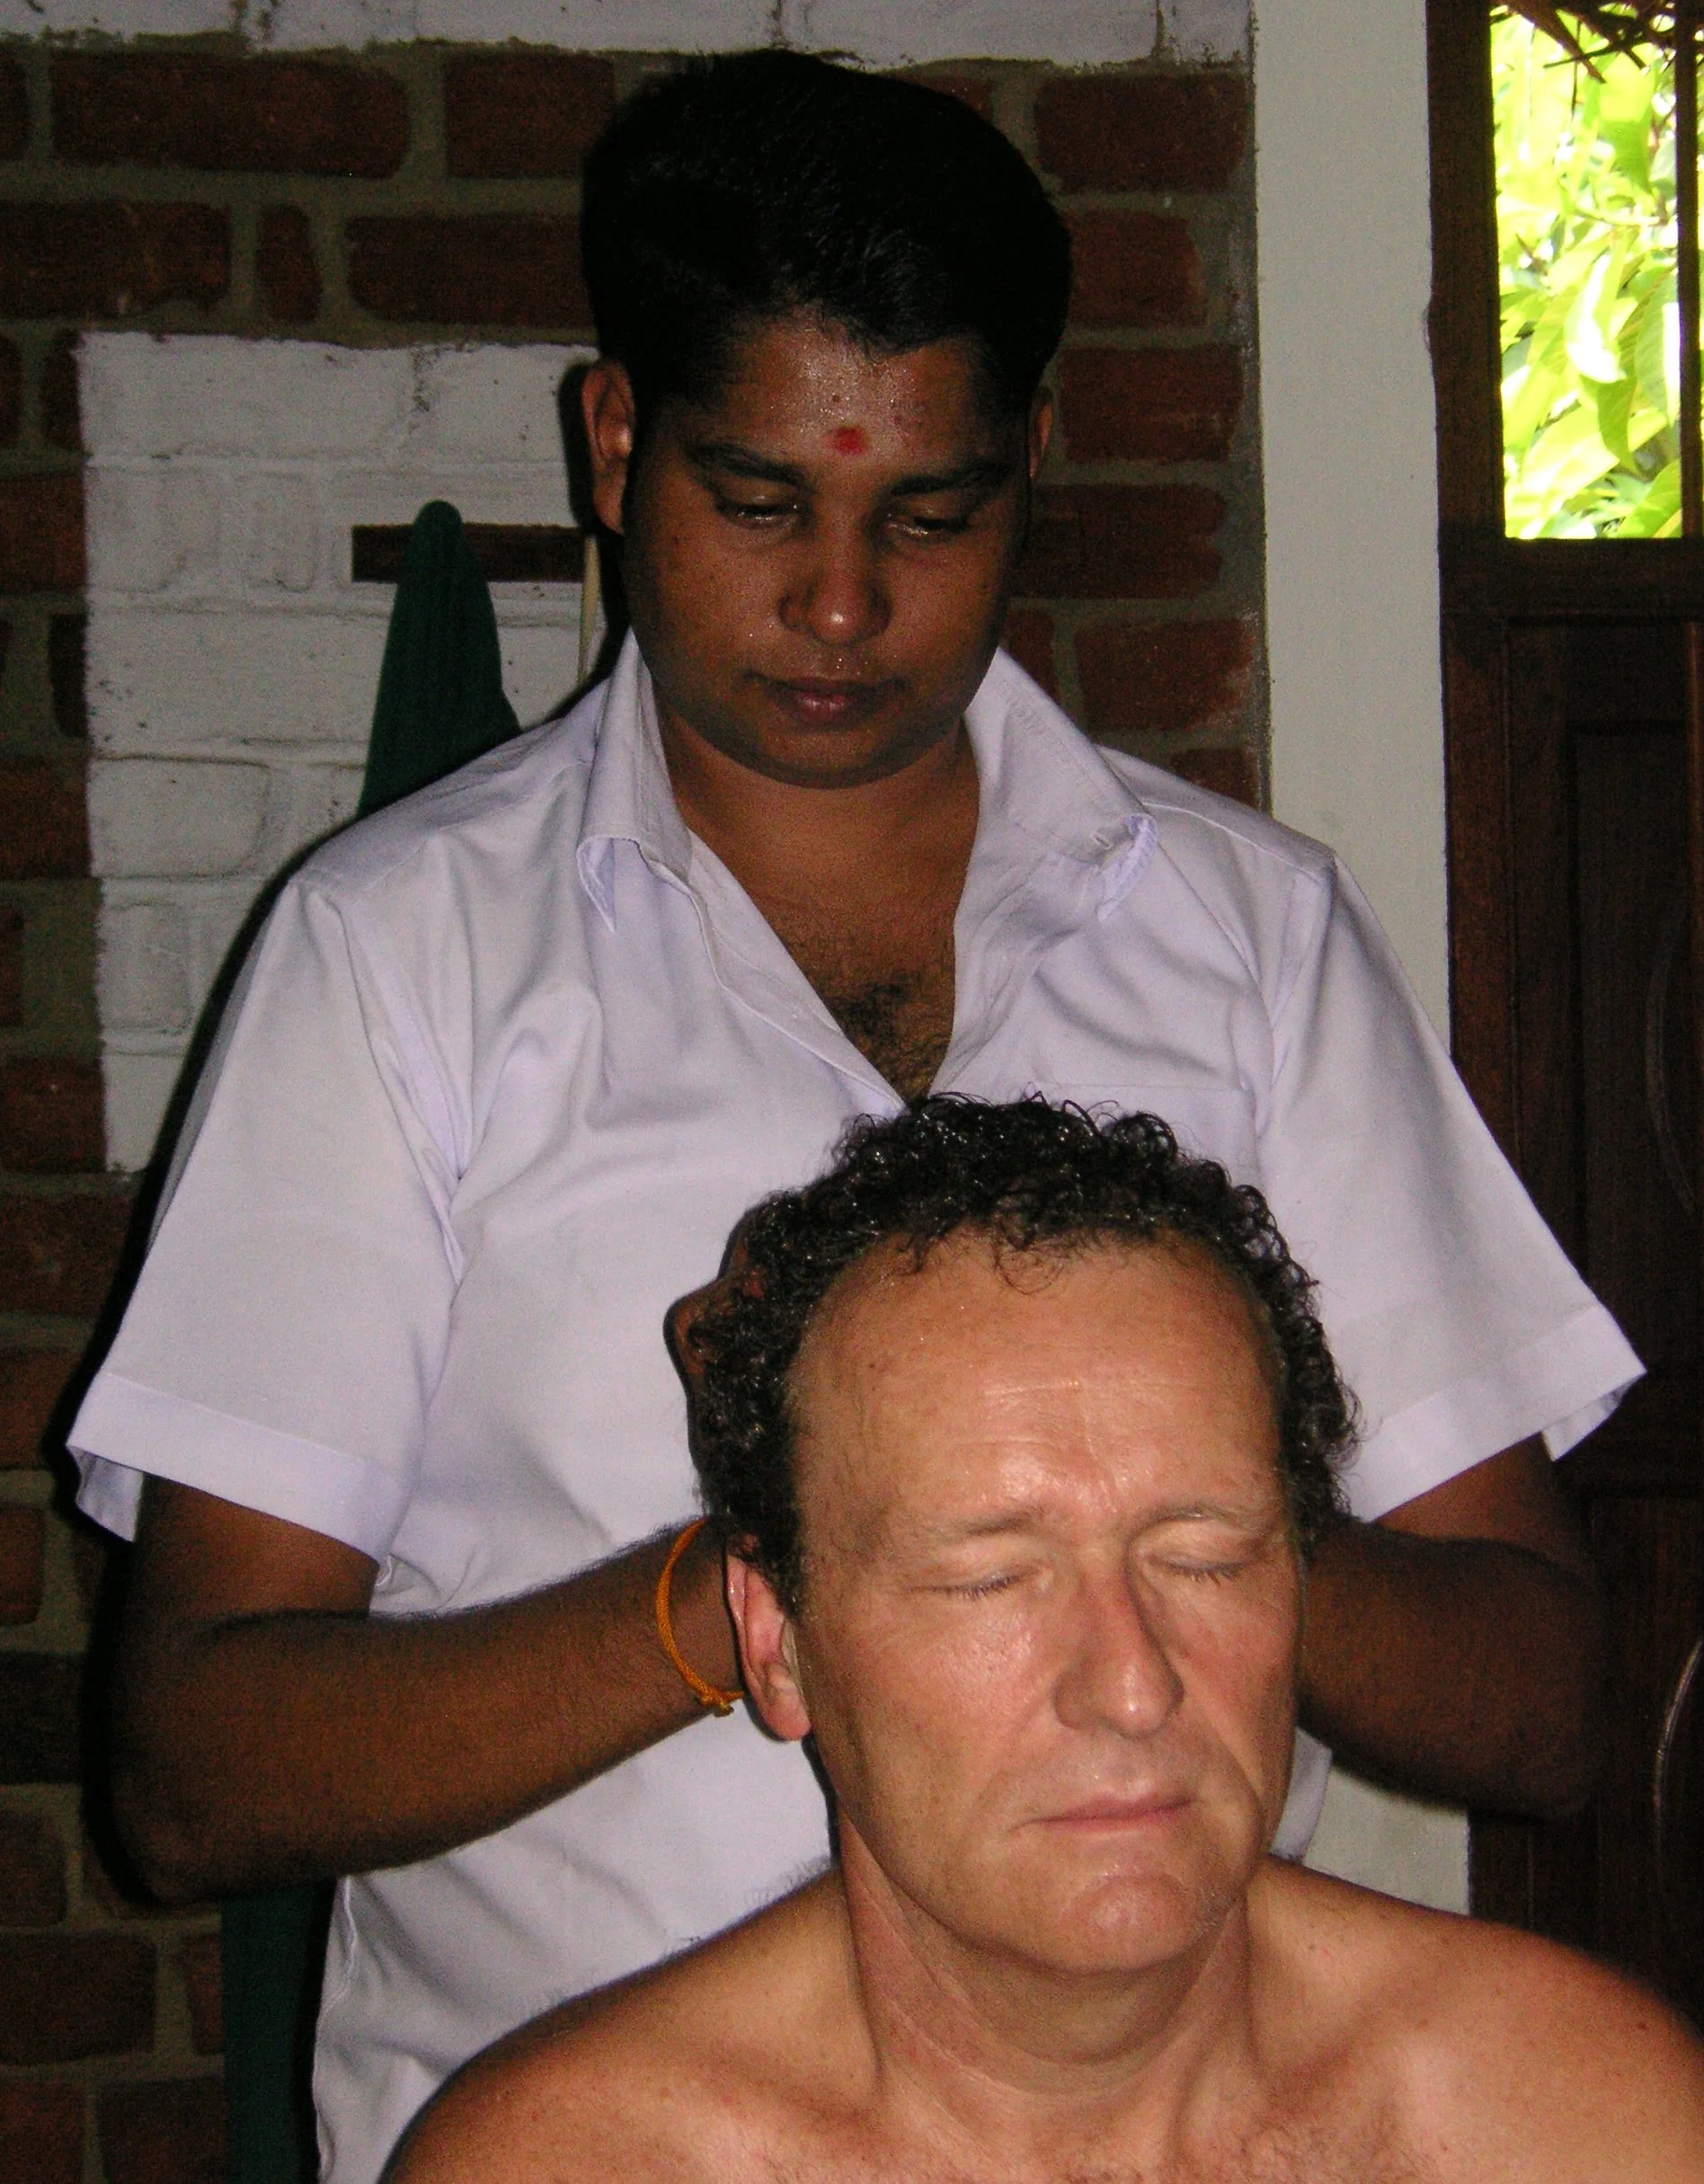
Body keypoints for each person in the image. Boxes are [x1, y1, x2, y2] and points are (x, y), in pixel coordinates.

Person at [74, 49, 1639, 2184]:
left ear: (1031, 461)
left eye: (929, 512)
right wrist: (767, 1586)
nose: (838, 604)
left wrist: (1173, 1521)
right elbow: (191, 1774)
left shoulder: (1247, 942)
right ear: (614, 444)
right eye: (758, 501)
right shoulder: (407, 957)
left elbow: (1546, 1701)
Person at [387, 1098, 1704, 2184]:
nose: (1131, 1682)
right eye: (990, 1577)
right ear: (775, 1640)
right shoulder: (565, 2163)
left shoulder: (1580, 2120)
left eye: (1202, 1553)